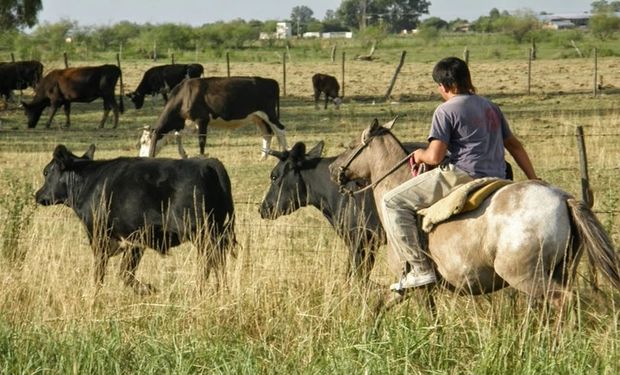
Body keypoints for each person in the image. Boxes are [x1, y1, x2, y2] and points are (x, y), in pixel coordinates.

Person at [381, 56, 538, 294]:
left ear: (443, 86)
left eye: (439, 87)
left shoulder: (445, 110)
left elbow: (435, 157)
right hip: (498, 175)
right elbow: (514, 145)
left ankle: (419, 269)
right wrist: (533, 179)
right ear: (467, 79)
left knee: (392, 202)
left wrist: (419, 155)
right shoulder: (490, 107)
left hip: (462, 175)